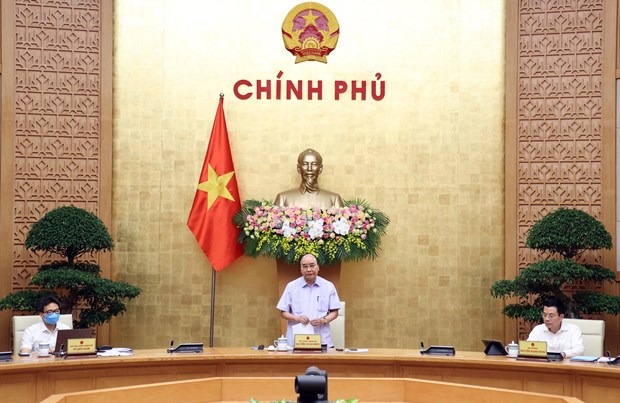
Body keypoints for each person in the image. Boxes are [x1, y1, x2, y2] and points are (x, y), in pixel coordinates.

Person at [276, 253, 342, 347]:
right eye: (305, 266)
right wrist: (297, 318)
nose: (309, 269)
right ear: (301, 269)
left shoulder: (328, 286)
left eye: (312, 265)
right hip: (297, 341)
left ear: (318, 267)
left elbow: (335, 312)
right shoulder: (291, 287)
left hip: (322, 341)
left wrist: (323, 320)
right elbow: (283, 312)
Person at [274, 148, 344, 209]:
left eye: (314, 164)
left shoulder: (334, 199)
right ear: (298, 168)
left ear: (320, 169)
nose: (309, 168)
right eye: (305, 164)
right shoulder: (283, 198)